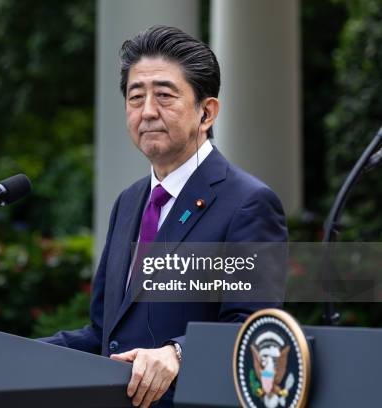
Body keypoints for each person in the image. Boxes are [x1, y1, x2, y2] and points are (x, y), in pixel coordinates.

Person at [39, 25, 287, 408]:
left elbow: (255, 331)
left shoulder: (248, 203)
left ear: (207, 112)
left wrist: (178, 353)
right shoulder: (128, 202)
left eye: (165, 96)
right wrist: (11, 351)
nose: (148, 111)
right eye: (136, 97)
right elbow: (104, 334)